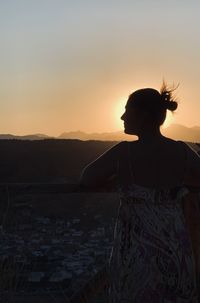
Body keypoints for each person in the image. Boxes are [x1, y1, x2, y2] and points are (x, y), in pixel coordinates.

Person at [79, 82, 200, 302]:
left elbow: (87, 178)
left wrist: (117, 177)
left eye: (127, 110)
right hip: (174, 241)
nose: (122, 117)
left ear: (143, 116)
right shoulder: (182, 151)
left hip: (135, 245)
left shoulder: (124, 152)